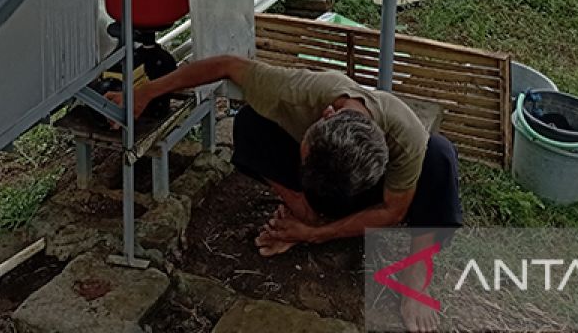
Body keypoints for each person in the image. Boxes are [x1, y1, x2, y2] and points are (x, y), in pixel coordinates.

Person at [109, 53, 462, 333]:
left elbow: (393, 212)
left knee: (440, 157)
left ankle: (415, 273)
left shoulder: (406, 139)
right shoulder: (301, 91)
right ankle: (304, 207)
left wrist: (314, 234)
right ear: (325, 115)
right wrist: (148, 91)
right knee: (249, 122)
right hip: (321, 185)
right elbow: (225, 65)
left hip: (360, 189)